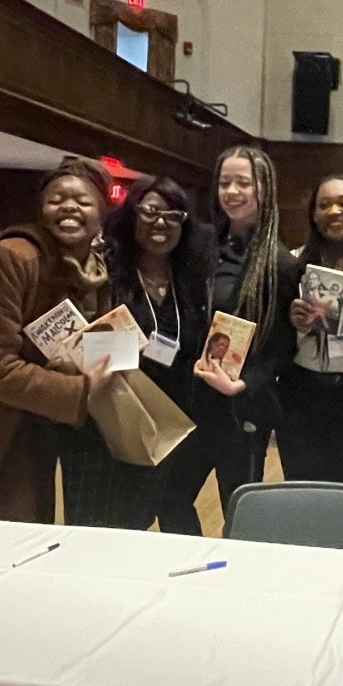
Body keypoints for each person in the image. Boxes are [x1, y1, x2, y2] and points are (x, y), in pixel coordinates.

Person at [0, 157, 116, 523]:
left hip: (60, 424)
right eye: (57, 199)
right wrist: (80, 390)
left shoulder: (96, 268)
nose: (69, 207)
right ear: (42, 208)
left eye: (83, 201)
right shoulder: (15, 257)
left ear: (101, 213)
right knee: (9, 530)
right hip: (4, 427)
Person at [166, 146, 299, 527]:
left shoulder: (280, 263)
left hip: (242, 410)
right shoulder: (199, 247)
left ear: (265, 190)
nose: (232, 191)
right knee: (169, 497)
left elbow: (285, 348)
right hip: (192, 402)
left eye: (244, 182)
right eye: (225, 182)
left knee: (238, 514)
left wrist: (243, 384)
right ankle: (191, 572)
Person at [103, 176, 214, 533]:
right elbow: (92, 343)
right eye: (150, 212)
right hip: (129, 412)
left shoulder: (193, 278)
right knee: (130, 514)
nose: (161, 223)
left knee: (177, 503)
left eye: (173, 215)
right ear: (131, 215)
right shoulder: (111, 274)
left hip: (184, 413)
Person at [277, 174, 343, 483]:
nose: (334, 212)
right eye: (324, 205)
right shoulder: (292, 264)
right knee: (303, 484)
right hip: (302, 391)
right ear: (313, 215)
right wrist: (290, 319)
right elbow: (271, 334)